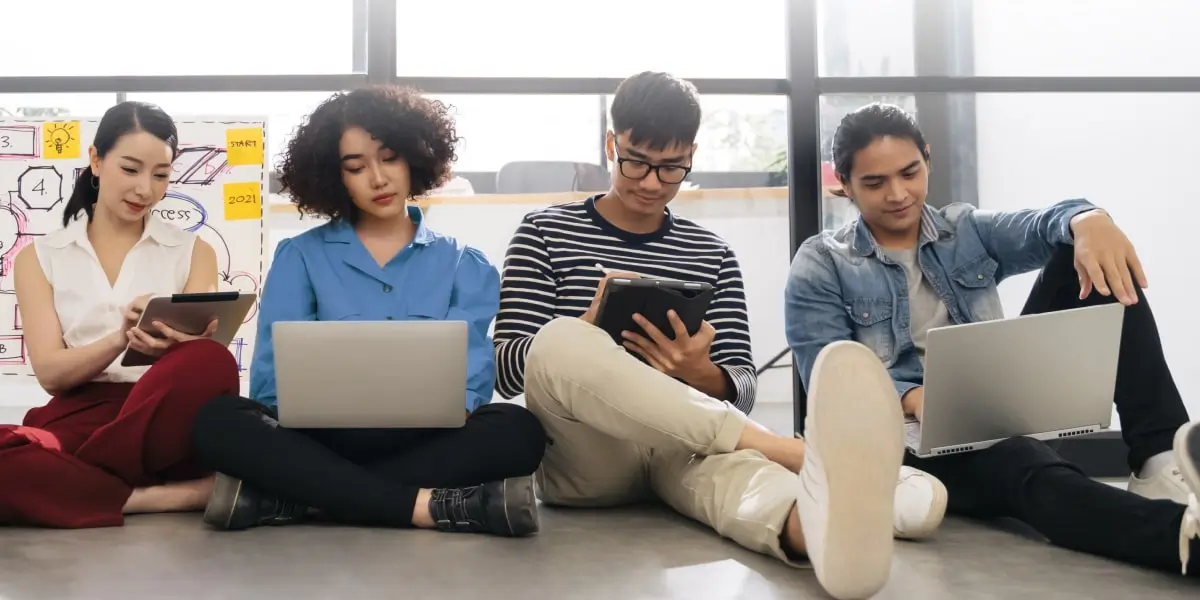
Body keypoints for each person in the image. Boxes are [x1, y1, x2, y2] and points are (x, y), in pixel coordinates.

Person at [493, 71, 946, 599]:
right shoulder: (544, 231)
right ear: (611, 144)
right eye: (636, 160)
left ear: (692, 154)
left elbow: (743, 385)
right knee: (559, 341)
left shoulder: (712, 253)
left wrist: (698, 373)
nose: (651, 182)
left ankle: (815, 528)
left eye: (672, 167)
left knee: (739, 481)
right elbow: (507, 369)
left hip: (684, 445)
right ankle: (794, 452)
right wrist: (590, 329)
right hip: (590, 459)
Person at [784, 102, 1200, 578]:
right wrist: (917, 398)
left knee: (1080, 259)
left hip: (991, 412)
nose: (898, 194)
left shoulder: (964, 230)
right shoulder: (821, 264)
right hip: (907, 447)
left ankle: (1158, 458)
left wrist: (1090, 221)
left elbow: (1044, 223)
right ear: (845, 184)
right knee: (1027, 468)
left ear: (927, 157)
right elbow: (828, 381)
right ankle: (1182, 538)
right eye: (875, 183)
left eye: (909, 172)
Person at [190, 85, 546, 537]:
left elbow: (473, 386)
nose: (378, 178)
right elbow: (270, 383)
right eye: (355, 167)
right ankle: (425, 505)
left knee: (519, 430)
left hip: (424, 440)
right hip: (321, 439)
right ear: (334, 178)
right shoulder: (299, 256)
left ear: (415, 158)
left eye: (390, 158)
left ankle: (297, 496)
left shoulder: (463, 263)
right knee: (219, 421)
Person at [0, 101, 238, 528]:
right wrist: (120, 336)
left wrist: (182, 344)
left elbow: (199, 362)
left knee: (210, 359)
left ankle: (76, 475)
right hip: (81, 413)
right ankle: (160, 496)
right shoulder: (39, 257)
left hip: (163, 412)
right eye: (130, 169)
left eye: (160, 175)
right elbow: (52, 375)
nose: (145, 189)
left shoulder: (193, 251)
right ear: (95, 159)